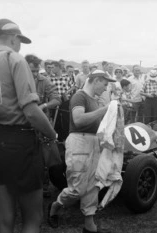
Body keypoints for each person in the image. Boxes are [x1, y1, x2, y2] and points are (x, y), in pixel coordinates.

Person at [0, 18, 56, 233]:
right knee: (32, 217)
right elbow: (30, 111)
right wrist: (51, 133)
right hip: (20, 143)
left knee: (3, 217)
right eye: (19, 40)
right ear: (13, 38)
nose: (20, 45)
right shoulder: (14, 59)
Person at [48, 70, 115, 233]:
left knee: (93, 184)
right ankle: (56, 205)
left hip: (93, 142)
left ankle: (89, 224)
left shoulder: (94, 100)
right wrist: (104, 110)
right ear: (97, 80)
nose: (106, 89)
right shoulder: (80, 96)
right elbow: (78, 120)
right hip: (79, 142)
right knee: (77, 187)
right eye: (105, 84)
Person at [25, 54, 61, 198]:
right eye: (31, 70)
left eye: (36, 71)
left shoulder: (44, 81)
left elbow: (57, 99)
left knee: (44, 156)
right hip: (23, 125)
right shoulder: (18, 80)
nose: (34, 74)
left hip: (41, 124)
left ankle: (44, 187)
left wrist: (43, 105)